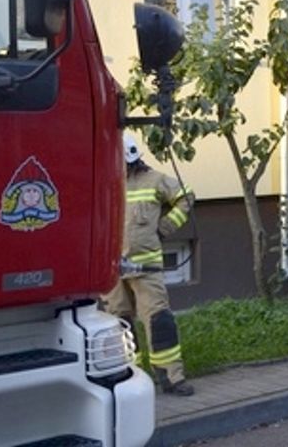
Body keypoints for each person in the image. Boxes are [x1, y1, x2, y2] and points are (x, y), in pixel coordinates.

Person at [102, 132, 196, 396]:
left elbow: (186, 197)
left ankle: (171, 377)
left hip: (147, 269)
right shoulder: (104, 181)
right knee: (118, 324)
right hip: (111, 269)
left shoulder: (154, 180)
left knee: (159, 321)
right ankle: (129, 375)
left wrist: (166, 227)